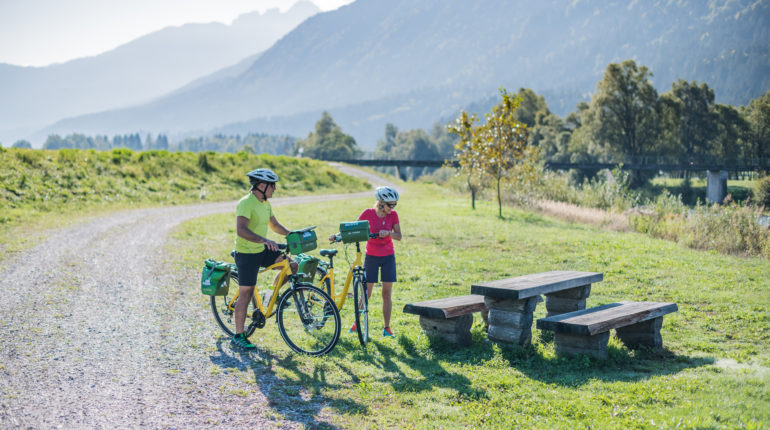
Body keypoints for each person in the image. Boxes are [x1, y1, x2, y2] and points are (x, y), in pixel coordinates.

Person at [231, 168, 296, 350]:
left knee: (292, 265)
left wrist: (292, 234)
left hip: (261, 249)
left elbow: (274, 225)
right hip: (246, 253)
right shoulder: (246, 203)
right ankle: (238, 335)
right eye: (272, 185)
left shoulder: (265, 203)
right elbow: (241, 230)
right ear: (261, 185)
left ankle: (271, 296)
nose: (274, 189)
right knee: (246, 292)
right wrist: (264, 240)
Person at [352, 186, 402, 337]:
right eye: (390, 204)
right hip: (371, 257)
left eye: (394, 204)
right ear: (380, 203)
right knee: (367, 292)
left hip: (388, 257)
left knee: (386, 294)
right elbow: (354, 228)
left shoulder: (393, 216)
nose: (392, 208)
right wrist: (336, 235)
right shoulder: (368, 213)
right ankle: (356, 323)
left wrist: (389, 233)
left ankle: (387, 328)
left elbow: (399, 236)